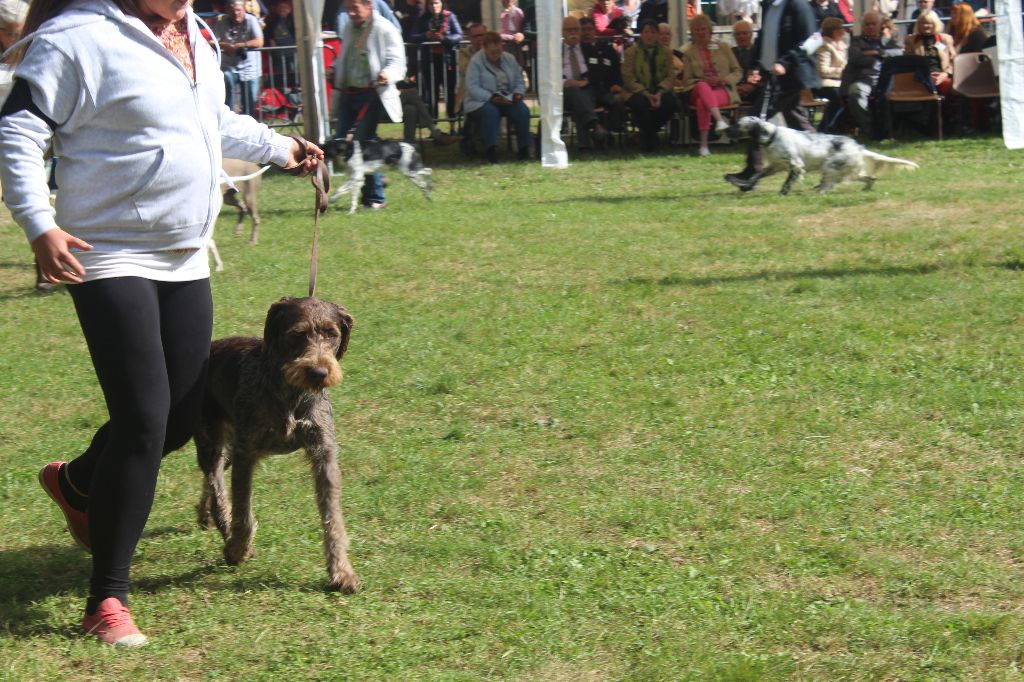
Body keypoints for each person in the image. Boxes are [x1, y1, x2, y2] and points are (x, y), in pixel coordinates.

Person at [0, 0, 321, 647]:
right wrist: (39, 222)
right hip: (103, 251)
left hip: (183, 254)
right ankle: (107, 600)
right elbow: (17, 130)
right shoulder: (76, 37)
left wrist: (282, 146)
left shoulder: (195, 34)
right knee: (144, 418)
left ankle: (79, 482)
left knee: (178, 417)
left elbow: (213, 122)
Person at [723, 0, 820, 191]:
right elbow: (764, 37)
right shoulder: (769, 6)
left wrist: (785, 62)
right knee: (797, 120)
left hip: (791, 74)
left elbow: (813, 40)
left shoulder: (799, 7)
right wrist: (755, 65)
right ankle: (826, 157)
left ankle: (751, 172)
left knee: (755, 120)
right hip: (774, 74)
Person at [330, 0, 406, 209]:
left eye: (355, 8)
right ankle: (376, 177)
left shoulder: (385, 29)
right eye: (348, 9)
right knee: (339, 142)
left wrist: (387, 73)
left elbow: (397, 61)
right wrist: (334, 68)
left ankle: (375, 198)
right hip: (348, 93)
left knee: (361, 144)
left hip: (371, 94)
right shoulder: (348, 27)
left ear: (369, 6)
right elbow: (346, 58)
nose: (351, 13)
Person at [463, 31, 532, 163]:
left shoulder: (510, 59)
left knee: (522, 111)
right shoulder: (476, 61)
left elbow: (519, 80)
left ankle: (524, 149)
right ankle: (491, 150)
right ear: (485, 48)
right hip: (481, 100)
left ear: (502, 46)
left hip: (507, 98)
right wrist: (491, 97)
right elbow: (472, 87)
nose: (496, 55)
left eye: (498, 51)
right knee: (491, 112)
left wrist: (518, 93)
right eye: (492, 52)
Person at [677, 14, 740, 156]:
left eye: (703, 29)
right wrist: (703, 81)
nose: (700, 32)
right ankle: (719, 120)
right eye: (697, 30)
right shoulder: (688, 53)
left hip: (722, 89)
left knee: (702, 103)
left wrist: (723, 79)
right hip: (697, 89)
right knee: (702, 86)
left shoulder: (723, 47)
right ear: (692, 33)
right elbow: (687, 81)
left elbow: (738, 71)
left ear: (709, 30)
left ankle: (703, 145)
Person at [839, 11, 902, 136]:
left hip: (886, 79)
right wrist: (878, 58)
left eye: (874, 24)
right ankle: (869, 128)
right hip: (863, 79)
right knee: (855, 92)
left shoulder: (887, 41)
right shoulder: (856, 41)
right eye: (867, 24)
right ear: (863, 26)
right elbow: (856, 58)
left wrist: (878, 53)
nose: (870, 27)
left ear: (880, 25)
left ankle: (889, 130)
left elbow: (899, 53)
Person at [622, 19, 679, 152]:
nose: (649, 35)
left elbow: (671, 76)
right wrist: (645, 93)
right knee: (640, 105)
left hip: (660, 91)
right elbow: (628, 77)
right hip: (636, 91)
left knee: (671, 104)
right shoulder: (631, 52)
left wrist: (659, 92)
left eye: (653, 32)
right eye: (646, 32)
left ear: (657, 35)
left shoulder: (666, 52)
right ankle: (651, 139)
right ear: (641, 34)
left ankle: (646, 135)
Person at [562, 16, 609, 156]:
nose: (573, 33)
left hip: (588, 90)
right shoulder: (556, 52)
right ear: (563, 32)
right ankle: (595, 125)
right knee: (575, 92)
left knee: (579, 98)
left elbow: (599, 73)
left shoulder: (589, 49)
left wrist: (586, 81)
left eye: (576, 29)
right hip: (564, 93)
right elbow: (549, 73)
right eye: (569, 30)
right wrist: (564, 82)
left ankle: (585, 147)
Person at [409, 0, 462, 118]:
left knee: (450, 93)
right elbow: (412, 36)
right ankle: (434, 126)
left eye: (436, 3)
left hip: (447, 61)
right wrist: (425, 35)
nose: (434, 6)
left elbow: (459, 35)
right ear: (427, 5)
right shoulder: (423, 18)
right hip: (429, 61)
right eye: (431, 4)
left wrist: (444, 39)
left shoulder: (450, 16)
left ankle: (452, 123)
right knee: (432, 94)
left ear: (442, 3)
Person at [215, 0, 264, 117]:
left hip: (250, 68)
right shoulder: (222, 22)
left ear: (244, 10)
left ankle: (250, 129)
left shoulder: (251, 20)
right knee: (226, 83)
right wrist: (225, 45)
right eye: (232, 11)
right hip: (229, 66)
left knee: (250, 102)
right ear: (227, 11)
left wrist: (239, 46)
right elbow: (211, 40)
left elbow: (259, 41)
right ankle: (229, 120)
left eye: (238, 10)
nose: (236, 13)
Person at [579, 16, 626, 131]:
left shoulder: (607, 49)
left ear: (594, 31)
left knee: (618, 101)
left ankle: (610, 130)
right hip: (587, 91)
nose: (586, 33)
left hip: (607, 90)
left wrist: (617, 84)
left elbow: (616, 70)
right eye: (583, 30)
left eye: (589, 29)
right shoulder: (577, 51)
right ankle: (597, 131)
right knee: (586, 103)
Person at [904, 10, 954, 96]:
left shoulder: (945, 39)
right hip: (921, 76)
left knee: (947, 84)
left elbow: (953, 60)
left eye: (929, 23)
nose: (926, 26)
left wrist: (945, 74)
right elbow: (908, 63)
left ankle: (944, 109)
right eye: (922, 23)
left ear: (935, 24)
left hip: (941, 74)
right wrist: (926, 76)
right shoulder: (911, 40)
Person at [815, 16, 847, 131]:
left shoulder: (842, 45)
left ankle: (841, 128)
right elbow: (823, 70)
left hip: (841, 81)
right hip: (825, 83)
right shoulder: (824, 46)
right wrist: (841, 71)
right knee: (837, 99)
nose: (844, 31)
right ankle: (824, 128)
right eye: (841, 28)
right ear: (834, 31)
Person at [732, 19, 761, 103]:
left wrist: (751, 85)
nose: (741, 36)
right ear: (734, 36)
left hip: (754, 88)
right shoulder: (730, 52)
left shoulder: (758, 51)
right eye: (738, 34)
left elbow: (759, 70)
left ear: (751, 35)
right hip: (734, 89)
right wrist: (735, 87)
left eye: (744, 33)